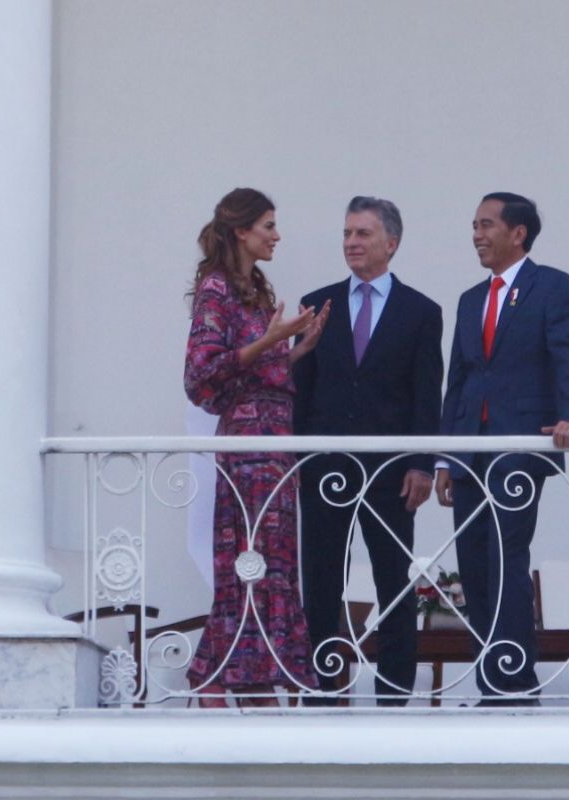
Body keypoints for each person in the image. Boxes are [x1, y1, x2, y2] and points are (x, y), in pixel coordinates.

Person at [435, 192, 569, 704]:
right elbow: (456, 381)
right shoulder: (469, 299)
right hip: (470, 451)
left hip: (519, 446)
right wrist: (444, 456)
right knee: (473, 563)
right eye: (473, 225)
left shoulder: (550, 286)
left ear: (518, 232)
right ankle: (491, 678)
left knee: (507, 559)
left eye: (486, 224)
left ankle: (514, 682)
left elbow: (568, 356)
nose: (476, 234)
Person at [183, 187, 330, 707]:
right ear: (242, 230)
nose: (276, 234)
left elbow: (258, 375)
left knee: (274, 562)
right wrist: (272, 340)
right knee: (248, 562)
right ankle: (218, 675)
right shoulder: (217, 289)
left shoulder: (257, 289)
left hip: (276, 443)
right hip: (247, 447)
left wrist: (298, 348)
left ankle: (255, 677)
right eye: (268, 225)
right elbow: (202, 377)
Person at [293, 196, 444, 705]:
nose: (351, 243)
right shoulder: (318, 304)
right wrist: (297, 460)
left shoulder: (422, 312)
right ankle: (322, 692)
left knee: (394, 585)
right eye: (347, 233)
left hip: (392, 472)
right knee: (320, 582)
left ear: (391, 243)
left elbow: (427, 395)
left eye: (362, 234)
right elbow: (301, 389)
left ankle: (394, 695)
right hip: (324, 469)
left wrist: (423, 465)